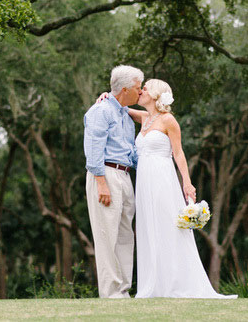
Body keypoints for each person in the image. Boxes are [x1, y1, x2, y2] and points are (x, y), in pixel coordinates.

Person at [99, 79, 236, 298]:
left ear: (154, 95)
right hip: (144, 181)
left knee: (167, 226)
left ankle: (176, 282)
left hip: (163, 178)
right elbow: (120, 106)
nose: (140, 92)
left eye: (144, 90)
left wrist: (187, 182)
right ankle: (154, 283)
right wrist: (106, 96)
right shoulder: (144, 117)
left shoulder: (168, 120)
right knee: (147, 227)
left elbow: (178, 153)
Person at [83, 65, 143, 298]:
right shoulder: (101, 111)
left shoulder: (125, 115)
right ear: (125, 89)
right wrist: (101, 183)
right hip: (105, 174)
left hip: (125, 175)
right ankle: (111, 292)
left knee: (125, 235)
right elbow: (94, 147)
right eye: (138, 88)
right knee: (107, 235)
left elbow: (130, 150)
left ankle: (124, 289)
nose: (140, 92)